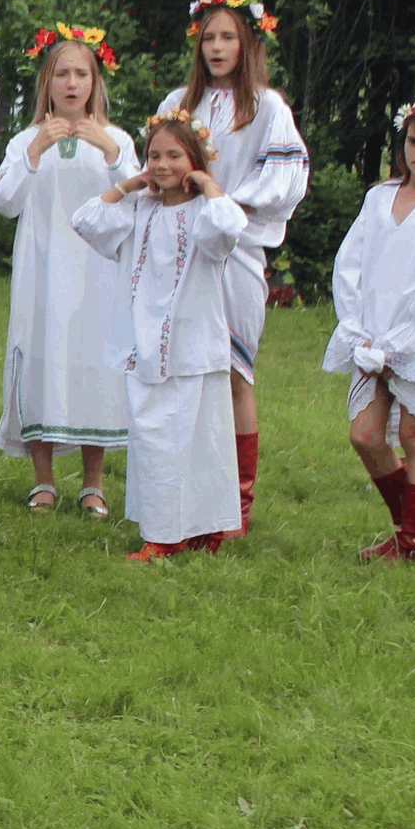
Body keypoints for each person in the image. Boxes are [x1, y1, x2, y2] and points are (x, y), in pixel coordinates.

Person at [158, 0, 307, 533]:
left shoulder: (266, 107)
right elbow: (158, 166)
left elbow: (286, 176)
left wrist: (223, 199)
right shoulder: (179, 102)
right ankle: (182, 490)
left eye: (228, 37)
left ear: (248, 43)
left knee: (234, 373)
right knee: (182, 369)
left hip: (237, 250)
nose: (217, 48)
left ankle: (236, 506)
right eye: (209, 38)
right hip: (180, 249)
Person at [72, 113, 247, 560]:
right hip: (145, 344)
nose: (162, 164)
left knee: (199, 438)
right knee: (154, 436)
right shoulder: (139, 210)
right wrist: (129, 184)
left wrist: (207, 184)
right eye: (154, 155)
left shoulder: (206, 213)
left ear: (194, 159)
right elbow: (86, 220)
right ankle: (165, 529)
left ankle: (200, 528)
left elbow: (230, 226)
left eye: (174, 155)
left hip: (192, 344)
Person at [0, 29, 135, 518]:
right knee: (42, 358)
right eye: (62, 74)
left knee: (94, 365)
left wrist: (111, 154)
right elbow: (4, 203)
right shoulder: (26, 140)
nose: (72, 84)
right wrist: (34, 154)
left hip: (99, 274)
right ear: (46, 84)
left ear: (95, 82)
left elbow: (136, 201)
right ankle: (44, 480)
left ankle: (93, 483)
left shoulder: (117, 141)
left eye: (81, 74)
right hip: (43, 269)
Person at [325, 100, 415, 562]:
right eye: (412, 142)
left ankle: (412, 543)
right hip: (372, 333)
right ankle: (412, 526)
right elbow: (349, 264)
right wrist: (357, 329)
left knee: (414, 433)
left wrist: (402, 341)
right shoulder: (379, 197)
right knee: (364, 435)